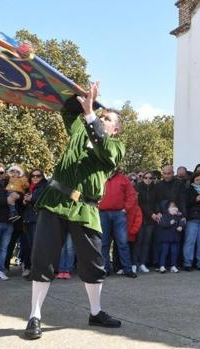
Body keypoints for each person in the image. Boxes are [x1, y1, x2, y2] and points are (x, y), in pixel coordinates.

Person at [25, 82, 125, 340]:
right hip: (55, 201)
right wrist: (80, 95)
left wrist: (91, 111)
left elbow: (103, 147)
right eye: (102, 115)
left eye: (108, 119)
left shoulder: (115, 146)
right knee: (43, 259)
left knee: (93, 264)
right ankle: (34, 316)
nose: (103, 118)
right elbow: (69, 112)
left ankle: (96, 312)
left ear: (115, 130)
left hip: (86, 209)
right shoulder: (80, 128)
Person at [98, 169, 137, 277]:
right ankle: (105, 269)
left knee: (123, 243)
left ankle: (127, 269)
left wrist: (126, 209)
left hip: (119, 214)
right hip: (103, 213)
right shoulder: (100, 177)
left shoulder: (123, 179)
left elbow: (131, 195)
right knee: (104, 243)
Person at [21, 169, 48, 279]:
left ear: (42, 177)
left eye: (38, 176)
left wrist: (32, 198)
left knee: (36, 246)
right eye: (33, 176)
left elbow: (45, 200)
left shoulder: (45, 187)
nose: (35, 178)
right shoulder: (29, 187)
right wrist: (24, 201)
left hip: (38, 220)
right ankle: (31, 269)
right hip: (28, 219)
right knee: (28, 246)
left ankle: (38, 271)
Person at [183, 172, 200, 271]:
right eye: (197, 180)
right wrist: (196, 199)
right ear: (193, 181)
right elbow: (185, 203)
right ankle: (187, 263)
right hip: (192, 218)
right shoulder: (188, 190)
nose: (199, 182)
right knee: (190, 241)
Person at [134, 171, 157, 272]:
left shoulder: (155, 189)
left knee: (146, 243)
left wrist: (158, 212)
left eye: (150, 178)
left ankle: (143, 263)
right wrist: (151, 213)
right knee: (138, 242)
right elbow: (140, 204)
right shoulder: (137, 187)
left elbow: (157, 202)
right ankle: (134, 263)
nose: (148, 180)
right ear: (142, 178)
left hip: (151, 220)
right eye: (145, 177)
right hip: (140, 218)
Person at [157, 200, 186, 273]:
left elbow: (182, 221)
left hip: (175, 238)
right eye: (172, 206)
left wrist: (181, 226)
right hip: (166, 238)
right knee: (164, 252)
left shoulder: (178, 216)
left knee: (174, 252)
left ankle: (173, 266)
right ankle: (162, 266)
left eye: (175, 206)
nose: (174, 208)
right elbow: (162, 224)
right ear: (167, 208)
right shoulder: (164, 215)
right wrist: (169, 223)